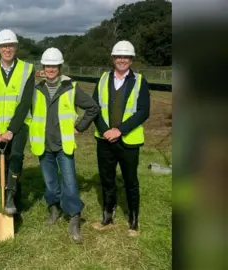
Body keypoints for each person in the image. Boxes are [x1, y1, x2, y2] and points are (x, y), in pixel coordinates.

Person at [29, 48, 99, 243]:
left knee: (69, 182)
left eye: (54, 66)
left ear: (59, 67)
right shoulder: (36, 90)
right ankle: (54, 208)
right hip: (43, 145)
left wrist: (80, 126)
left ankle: (74, 216)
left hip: (63, 145)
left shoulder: (71, 87)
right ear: (43, 67)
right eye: (47, 66)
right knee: (50, 183)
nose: (50, 69)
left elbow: (93, 107)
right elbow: (27, 114)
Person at [91, 40, 150, 237]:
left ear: (131, 59)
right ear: (113, 58)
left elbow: (143, 112)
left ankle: (133, 222)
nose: (122, 60)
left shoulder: (140, 81)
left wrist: (120, 130)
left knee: (130, 181)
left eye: (126, 57)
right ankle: (108, 217)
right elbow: (94, 108)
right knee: (107, 180)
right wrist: (105, 130)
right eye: (119, 56)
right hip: (104, 140)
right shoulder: (102, 79)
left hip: (128, 141)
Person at [0, 29, 35, 215]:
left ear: (16, 47)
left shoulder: (27, 69)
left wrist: (12, 129)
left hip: (19, 125)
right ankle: (13, 202)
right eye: (4, 46)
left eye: (10, 45)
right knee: (4, 163)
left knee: (17, 156)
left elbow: (25, 102)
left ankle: (11, 197)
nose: (7, 49)